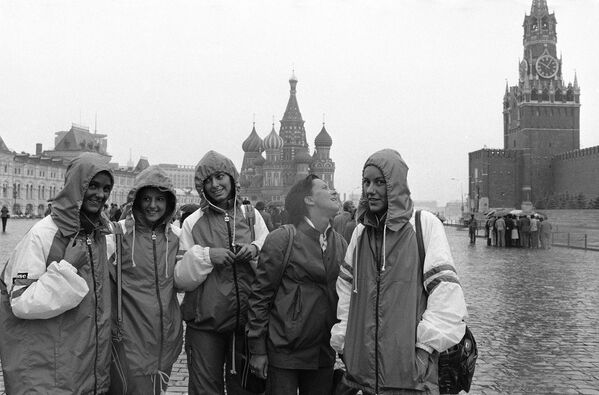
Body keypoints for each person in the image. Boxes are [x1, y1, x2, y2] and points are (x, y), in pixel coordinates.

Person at [330, 149, 468, 395]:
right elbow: (346, 295)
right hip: (365, 377)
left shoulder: (423, 225)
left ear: (396, 185)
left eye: (380, 182)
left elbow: (445, 295)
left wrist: (424, 352)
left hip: (411, 379)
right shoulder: (361, 235)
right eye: (366, 182)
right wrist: (346, 347)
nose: (370, 189)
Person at [0, 152, 114, 394]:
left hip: (82, 368)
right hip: (48, 372)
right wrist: (67, 269)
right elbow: (21, 301)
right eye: (92, 185)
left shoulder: (99, 236)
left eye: (106, 188)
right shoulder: (43, 234)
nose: (100, 194)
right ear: (75, 185)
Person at [174, 150, 269, 395]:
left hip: (245, 323)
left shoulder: (251, 216)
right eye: (208, 181)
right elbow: (181, 278)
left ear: (231, 177)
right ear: (201, 187)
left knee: (245, 389)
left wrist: (255, 249)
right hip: (206, 324)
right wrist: (208, 256)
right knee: (206, 389)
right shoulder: (193, 222)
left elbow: (270, 257)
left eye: (220, 177)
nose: (215, 185)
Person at [247, 175, 347, 394]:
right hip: (285, 352)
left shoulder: (339, 243)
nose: (333, 192)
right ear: (309, 200)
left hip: (323, 352)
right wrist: (258, 350)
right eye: (325, 187)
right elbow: (260, 297)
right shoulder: (282, 239)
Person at [107, 165, 184, 394]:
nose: (153, 205)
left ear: (169, 202)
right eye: (147, 198)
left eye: (160, 199)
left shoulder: (176, 238)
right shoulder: (118, 234)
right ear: (137, 200)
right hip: (130, 342)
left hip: (166, 341)